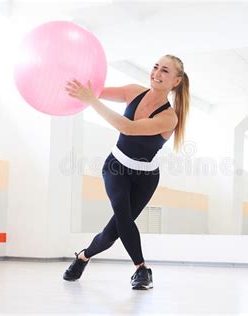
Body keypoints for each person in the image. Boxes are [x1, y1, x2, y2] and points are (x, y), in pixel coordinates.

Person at [62, 54, 189, 290]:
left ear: (176, 81)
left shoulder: (169, 117)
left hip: (145, 178)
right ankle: (142, 269)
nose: (156, 73)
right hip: (116, 167)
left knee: (111, 234)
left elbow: (128, 128)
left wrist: (91, 100)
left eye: (165, 71)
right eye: (155, 67)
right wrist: (72, 79)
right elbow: (94, 90)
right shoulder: (133, 91)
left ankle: (83, 256)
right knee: (123, 216)